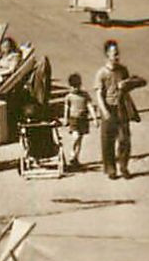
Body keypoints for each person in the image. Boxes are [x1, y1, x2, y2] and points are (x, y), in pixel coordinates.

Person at [92, 40, 144, 180]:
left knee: (124, 139)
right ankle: (110, 169)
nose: (117, 56)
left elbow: (133, 83)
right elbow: (98, 94)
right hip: (108, 108)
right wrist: (104, 111)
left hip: (122, 108)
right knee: (108, 140)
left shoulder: (122, 70)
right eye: (114, 54)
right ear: (107, 55)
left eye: (117, 53)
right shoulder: (101, 73)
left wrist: (126, 84)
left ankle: (123, 167)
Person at [61, 72, 92, 169]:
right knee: (76, 136)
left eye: (77, 86)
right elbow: (66, 109)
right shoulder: (69, 97)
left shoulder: (84, 95)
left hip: (83, 119)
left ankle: (76, 158)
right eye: (73, 87)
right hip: (73, 119)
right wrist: (65, 119)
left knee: (80, 139)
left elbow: (89, 105)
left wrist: (94, 118)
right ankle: (72, 154)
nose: (75, 89)